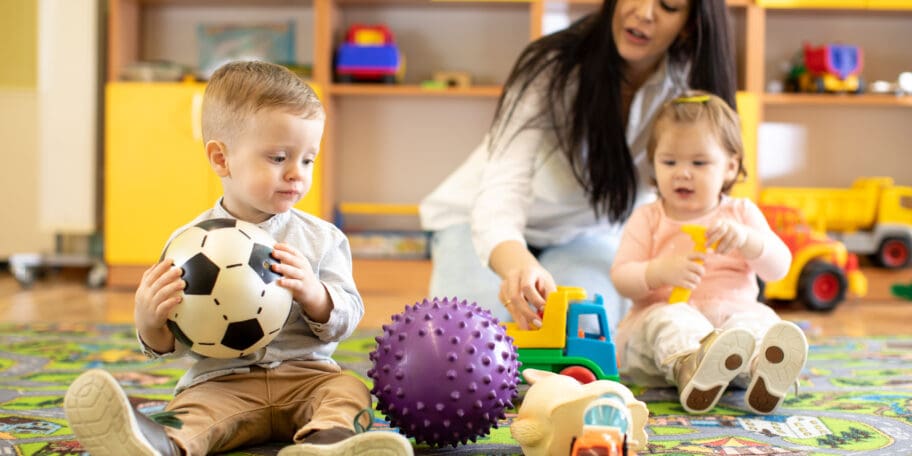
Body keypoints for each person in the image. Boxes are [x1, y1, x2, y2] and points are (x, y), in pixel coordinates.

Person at [63, 61, 413, 456]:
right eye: (279, 158)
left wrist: (316, 295)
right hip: (221, 381)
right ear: (221, 159)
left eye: (308, 160)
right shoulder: (187, 246)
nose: (296, 173)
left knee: (348, 391)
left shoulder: (322, 239)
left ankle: (327, 442)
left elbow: (347, 317)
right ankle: (158, 443)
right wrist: (149, 322)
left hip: (308, 376)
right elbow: (173, 344)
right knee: (193, 412)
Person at [419, 0, 737, 332]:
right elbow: (501, 190)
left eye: (669, 5)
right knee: (467, 338)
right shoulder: (552, 66)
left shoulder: (690, 91)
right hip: (477, 222)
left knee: (584, 332)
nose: (644, 12)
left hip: (585, 234)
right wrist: (519, 266)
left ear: (689, 23)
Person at [611, 91, 808, 415]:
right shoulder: (648, 217)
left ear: (730, 167)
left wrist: (749, 240)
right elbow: (621, 278)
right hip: (664, 328)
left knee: (756, 321)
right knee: (670, 320)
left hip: (733, 322)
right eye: (669, 161)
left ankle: (763, 369)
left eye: (699, 163)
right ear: (654, 163)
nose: (682, 172)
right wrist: (656, 272)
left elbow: (779, 268)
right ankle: (692, 366)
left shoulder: (741, 213)